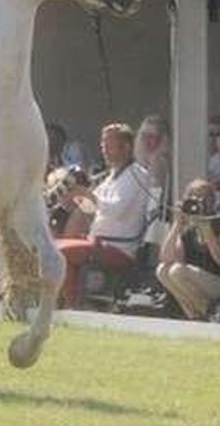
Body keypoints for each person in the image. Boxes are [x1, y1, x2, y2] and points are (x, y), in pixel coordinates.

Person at [56, 123, 154, 307]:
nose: (104, 151)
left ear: (126, 147)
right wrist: (73, 199)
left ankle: (71, 306)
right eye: (103, 146)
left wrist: (85, 193)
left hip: (119, 248)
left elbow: (114, 209)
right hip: (97, 242)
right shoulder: (111, 176)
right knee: (53, 246)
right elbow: (92, 209)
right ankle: (67, 303)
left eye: (109, 146)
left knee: (59, 252)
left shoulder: (137, 175)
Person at [156, 178, 220, 319]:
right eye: (192, 197)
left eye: (203, 198)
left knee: (177, 271)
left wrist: (207, 231)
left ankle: (208, 312)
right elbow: (166, 258)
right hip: (197, 279)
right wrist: (177, 225)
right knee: (162, 270)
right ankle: (195, 316)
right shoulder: (188, 229)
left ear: (211, 200)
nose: (197, 202)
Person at [134, 114, 171, 190]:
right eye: (143, 135)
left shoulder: (164, 166)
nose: (145, 140)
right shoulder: (130, 166)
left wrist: (155, 161)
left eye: (151, 136)